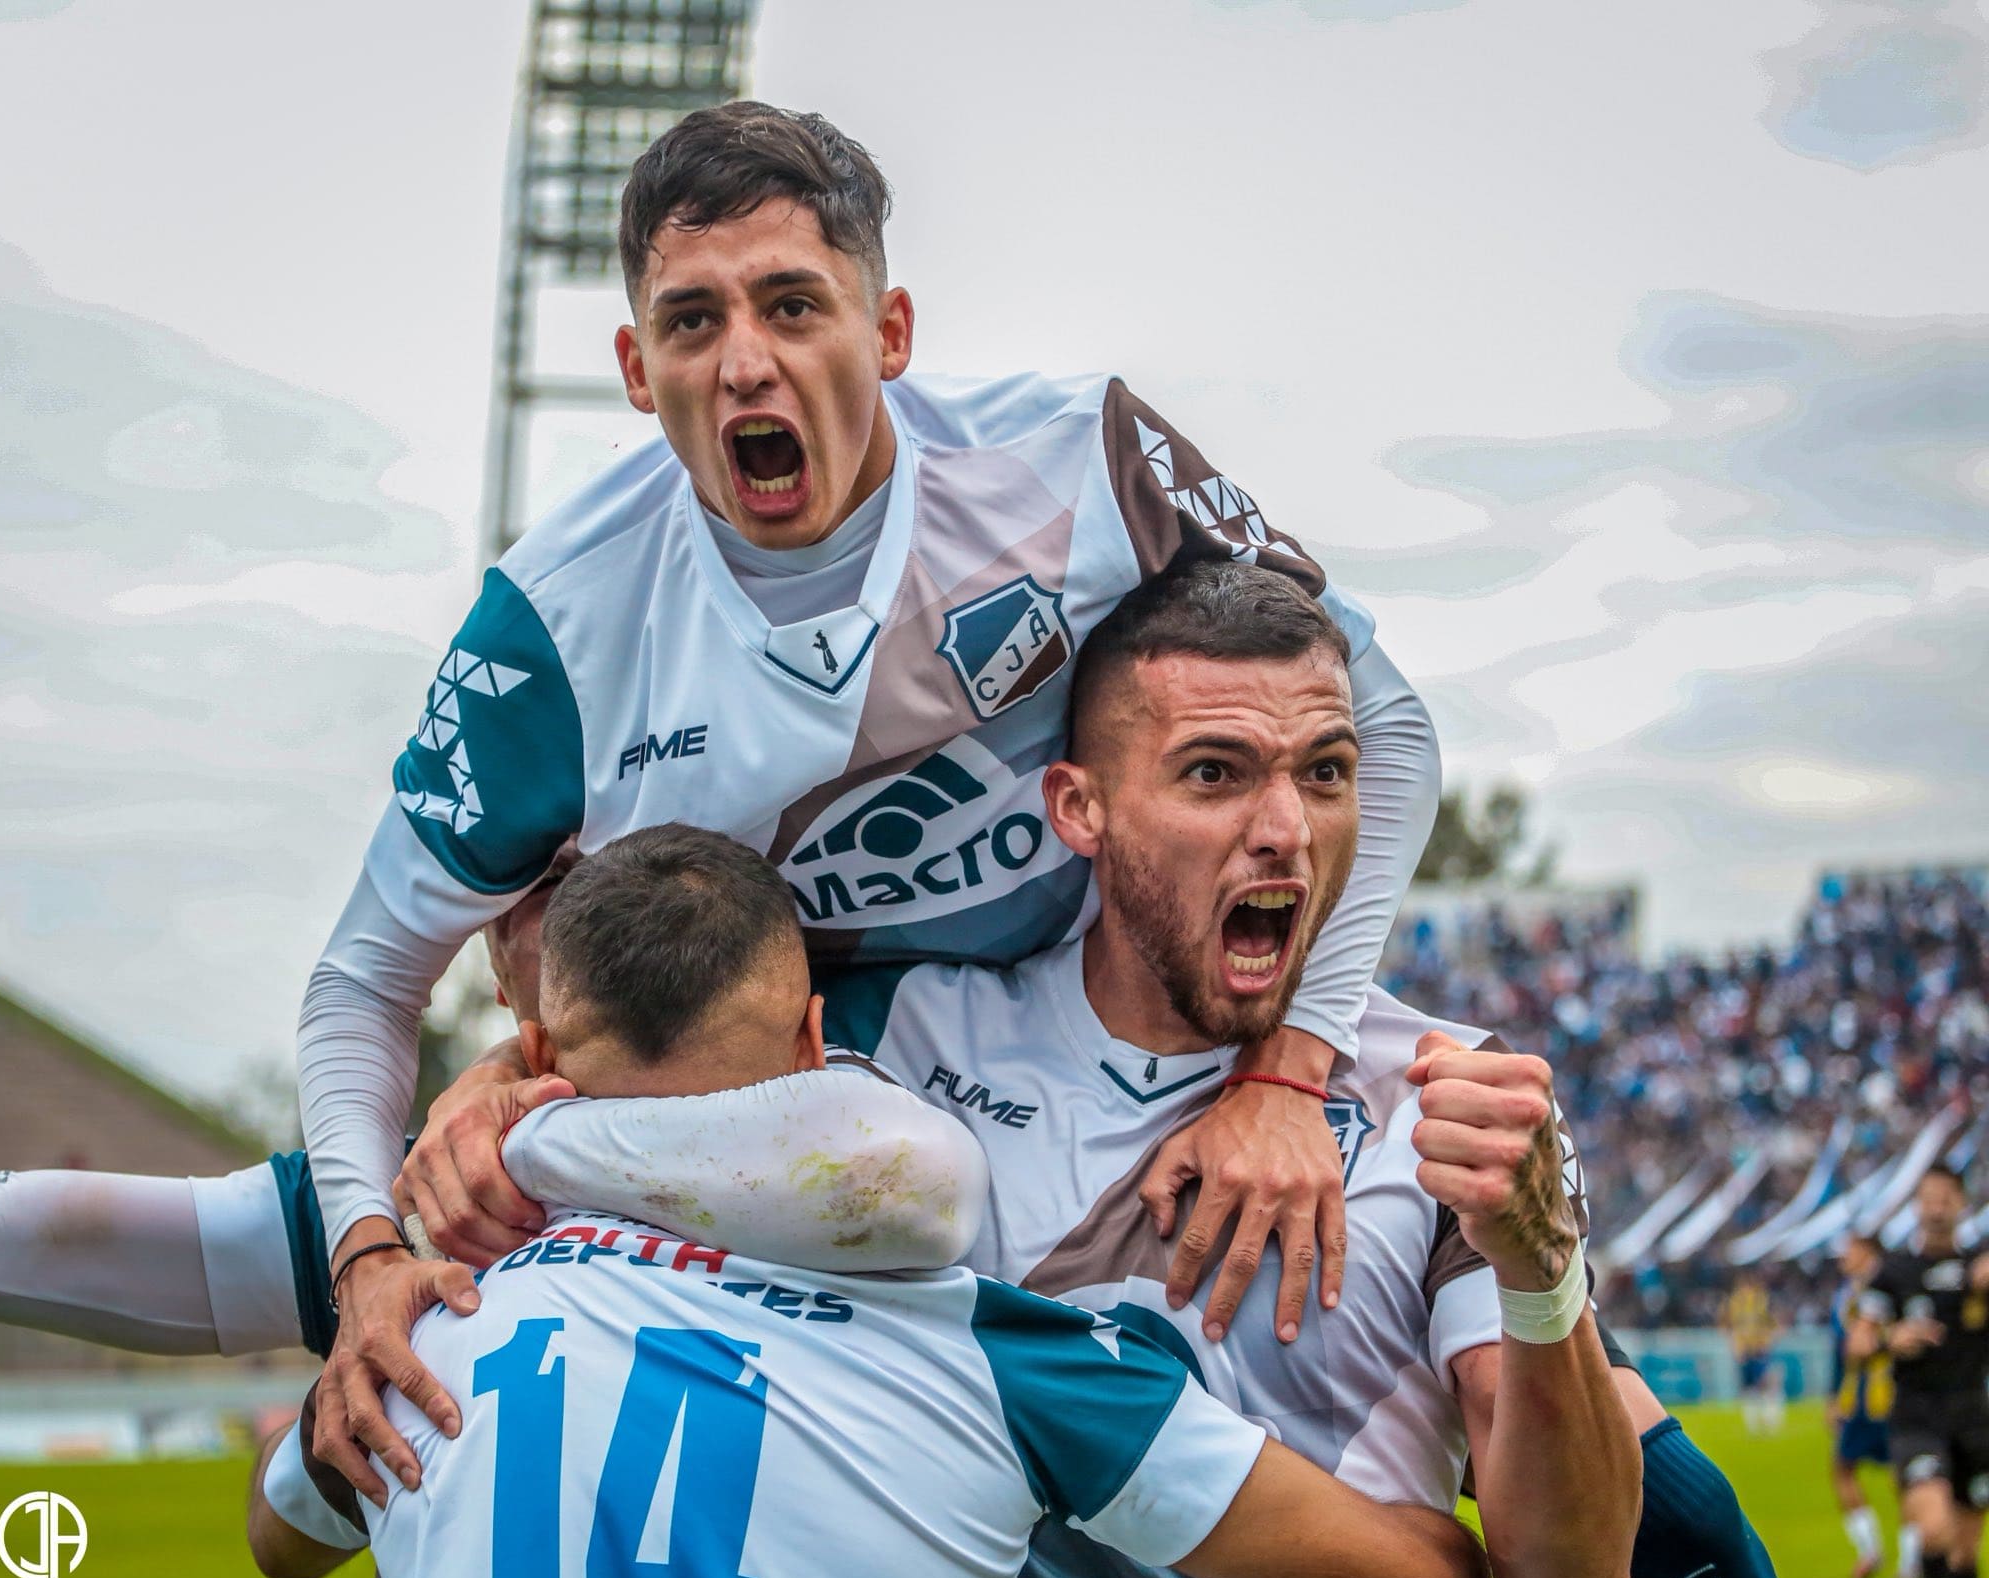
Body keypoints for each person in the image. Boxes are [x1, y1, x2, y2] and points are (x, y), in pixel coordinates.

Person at [298, 98, 1447, 1485]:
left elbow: (1383, 718)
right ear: (632, 362)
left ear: (889, 333)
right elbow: (364, 976)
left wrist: (1289, 1064)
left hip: (1152, 1013)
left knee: (1632, 1462)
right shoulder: (551, 626)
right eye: (692, 321)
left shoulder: (1077, 460)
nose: (744, 364)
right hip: (854, 1096)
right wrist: (367, 1254)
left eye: (792, 305)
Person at [498, 561, 1640, 1578]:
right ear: (1077, 808)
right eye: (1215, 773)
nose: (1286, 830)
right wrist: (498, 1100)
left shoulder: (1448, 1098)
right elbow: (642, 1062)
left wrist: (1542, 1275)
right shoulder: (903, 1032)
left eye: (1326, 772)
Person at [249, 823, 1494, 1578]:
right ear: (813, 1044)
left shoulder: (421, 1341)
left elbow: (280, 1539)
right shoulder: (996, 1353)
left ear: (531, 1061)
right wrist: (1438, 1520)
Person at [0, 846, 988, 1364]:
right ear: (505, 992)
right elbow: (287, 1531)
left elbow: (918, 1188)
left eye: (572, 873)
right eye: (509, 909)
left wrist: (528, 1142)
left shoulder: (853, 1106)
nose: (547, 915)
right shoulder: (413, 1202)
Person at [1852, 1164, 1989, 1578]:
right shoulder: (1893, 1272)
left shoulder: (1980, 1265)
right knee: (1934, 1529)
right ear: (1916, 1205)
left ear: (1961, 1204)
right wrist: (1893, 1336)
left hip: (1974, 1418)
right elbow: (1858, 1344)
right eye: (1927, 1199)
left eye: (1944, 1199)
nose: (1935, 1208)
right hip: (1917, 1418)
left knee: (1966, 1550)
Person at [1829, 1233, 1904, 1578]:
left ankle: (1891, 1555)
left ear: (1869, 1253)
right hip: (1859, 1397)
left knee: (1902, 1474)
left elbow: (1852, 1348)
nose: (1845, 1257)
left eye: (1851, 1250)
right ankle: (1889, 1556)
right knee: (1849, 1469)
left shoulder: (1881, 1290)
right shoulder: (1848, 1294)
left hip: (1884, 1395)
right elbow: (1840, 1353)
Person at [1725, 1271, 1784, 1435]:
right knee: (1748, 1386)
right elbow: (1729, 1325)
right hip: (1745, 1350)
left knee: (1765, 1383)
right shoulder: (1735, 1302)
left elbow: (1775, 1322)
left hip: (1760, 1349)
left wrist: (1768, 1341)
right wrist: (1735, 1345)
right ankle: (1753, 1422)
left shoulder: (1763, 1300)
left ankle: (1770, 1418)